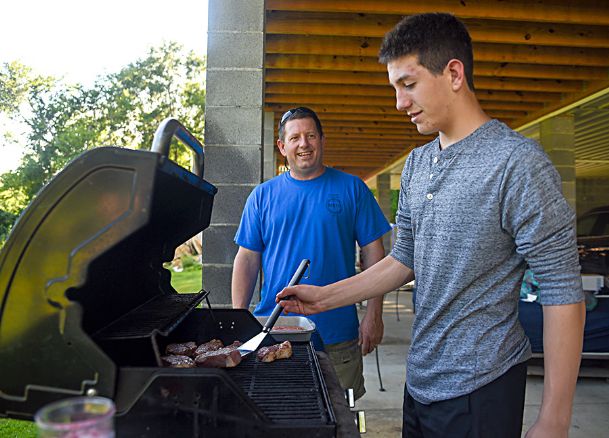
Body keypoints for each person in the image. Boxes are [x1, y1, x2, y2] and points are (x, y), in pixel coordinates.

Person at [277, 13, 586, 438]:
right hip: (420, 382)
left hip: (483, 386)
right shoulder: (418, 163)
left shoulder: (517, 164)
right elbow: (406, 258)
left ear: (454, 73)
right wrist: (325, 297)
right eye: (395, 89)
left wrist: (554, 417)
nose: (399, 102)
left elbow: (562, 289)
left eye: (409, 84)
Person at [231, 106, 392, 400]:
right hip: (274, 327)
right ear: (282, 146)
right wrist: (238, 318)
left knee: (341, 412)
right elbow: (247, 259)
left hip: (338, 333)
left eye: (310, 136)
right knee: (276, 409)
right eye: (295, 138)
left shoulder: (352, 188)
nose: (303, 144)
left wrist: (374, 313)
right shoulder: (262, 196)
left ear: (322, 140)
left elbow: (374, 254)